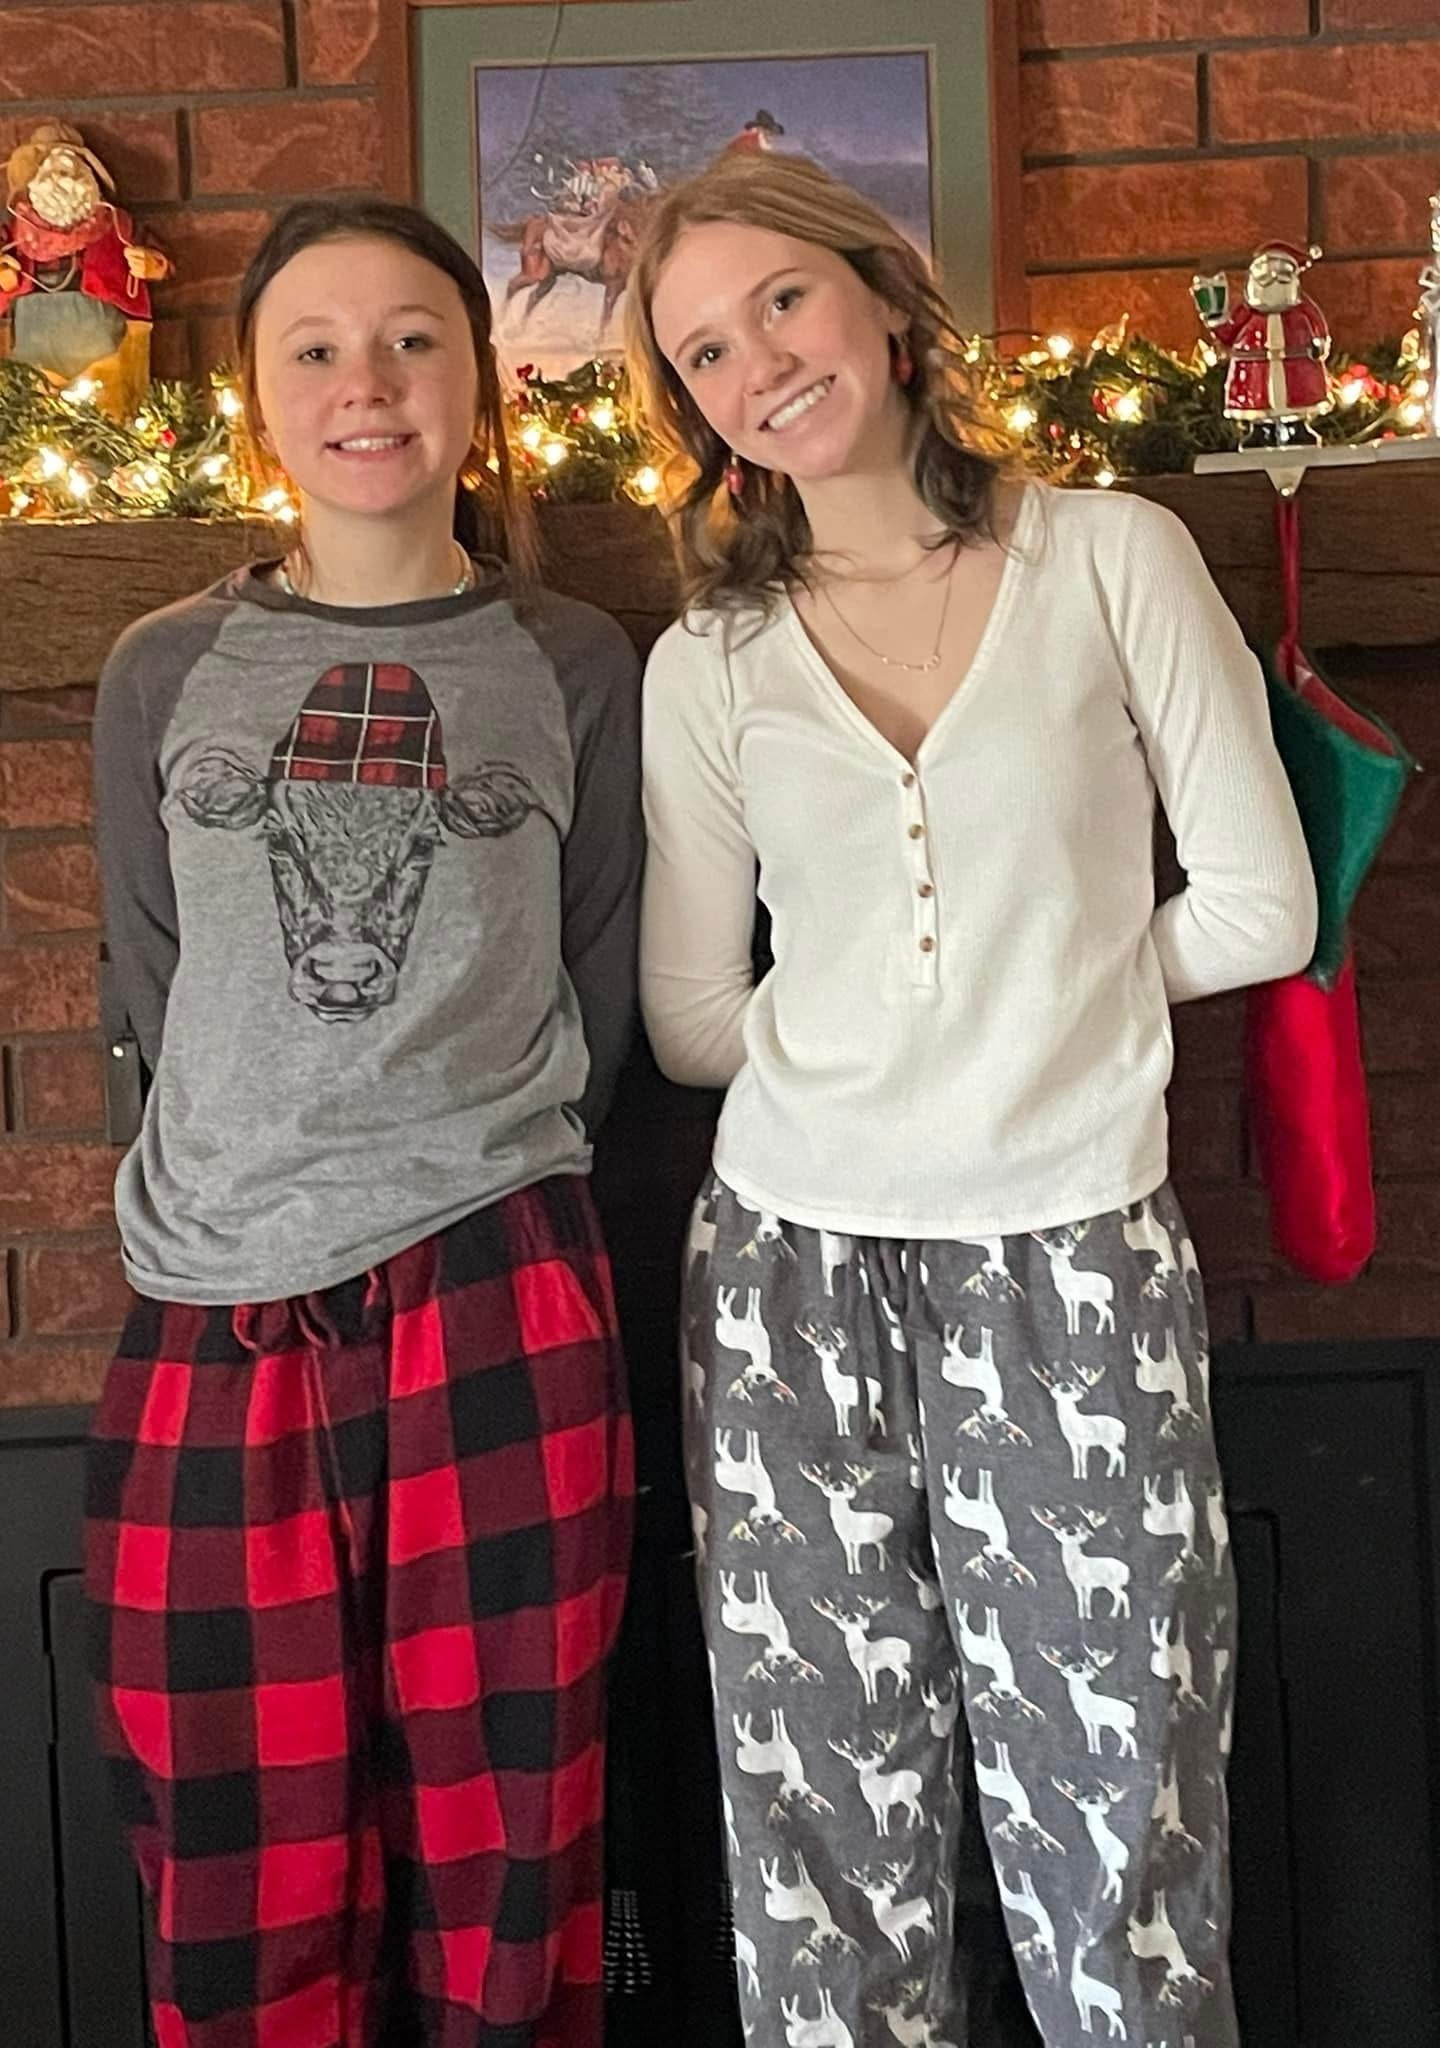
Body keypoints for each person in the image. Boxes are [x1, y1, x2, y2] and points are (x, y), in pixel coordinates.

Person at [622, 152, 1316, 2048]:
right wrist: (892, 1042)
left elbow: (1260, 904)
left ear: (883, 296)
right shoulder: (710, 661)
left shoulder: (1110, 558)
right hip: (784, 1280)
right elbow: (692, 1016)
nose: (756, 361)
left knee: (1123, 1816)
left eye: (780, 299)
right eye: (703, 349)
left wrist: (1037, 1012)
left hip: (1072, 1254)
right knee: (822, 1843)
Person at [84, 194, 642, 2048]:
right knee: (234, 1847)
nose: (367, 384)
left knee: (511, 1840)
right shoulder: (165, 670)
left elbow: (600, 977)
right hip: (215, 1304)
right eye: (314, 348)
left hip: (496, 1288)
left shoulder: (574, 663)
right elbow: (151, 979)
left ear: (481, 382)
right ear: (255, 394)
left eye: (413, 340)